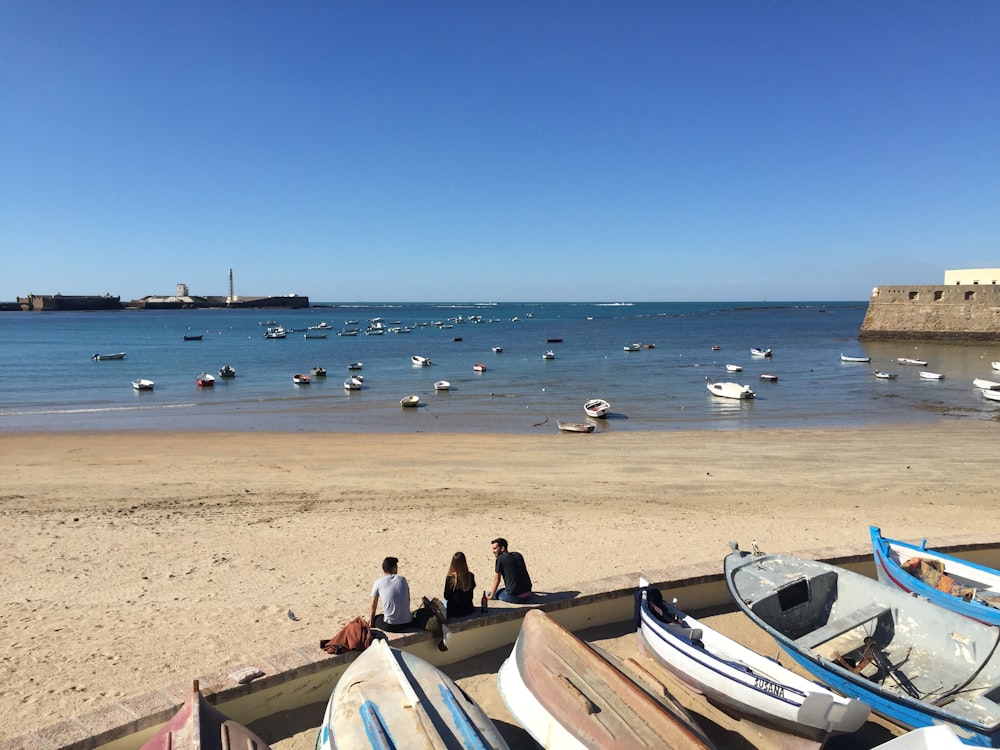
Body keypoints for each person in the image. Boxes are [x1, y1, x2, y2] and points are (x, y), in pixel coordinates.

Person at [368, 556, 413, 632]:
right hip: (407, 623)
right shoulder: (403, 580)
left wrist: (371, 624)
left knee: (377, 618)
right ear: (394, 568)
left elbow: (373, 606)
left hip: (391, 626)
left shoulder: (378, 582)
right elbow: (407, 600)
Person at [489, 537, 533, 603]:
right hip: (528, 592)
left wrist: (491, 596)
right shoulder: (518, 555)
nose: (493, 551)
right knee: (502, 589)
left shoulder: (500, 559)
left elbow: (497, 579)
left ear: (502, 548)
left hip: (515, 596)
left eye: (495, 548)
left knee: (490, 593)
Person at [443, 551, 476, 617]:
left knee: (443, 601)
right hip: (468, 609)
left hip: (454, 611)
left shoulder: (450, 578)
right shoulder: (470, 576)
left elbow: (446, 596)